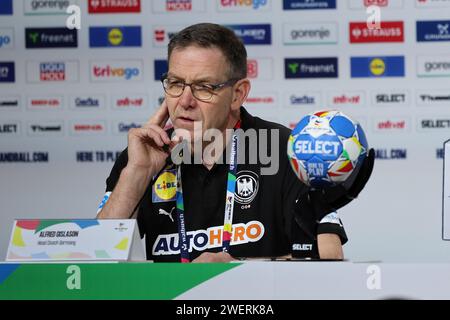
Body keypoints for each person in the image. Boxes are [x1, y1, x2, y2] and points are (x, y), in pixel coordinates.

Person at [97, 23, 373, 262]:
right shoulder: (143, 154)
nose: (184, 101)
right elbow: (98, 259)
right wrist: (137, 174)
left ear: (238, 94)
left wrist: (239, 270)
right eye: (175, 83)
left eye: (204, 87)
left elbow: (328, 256)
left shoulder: (285, 149)